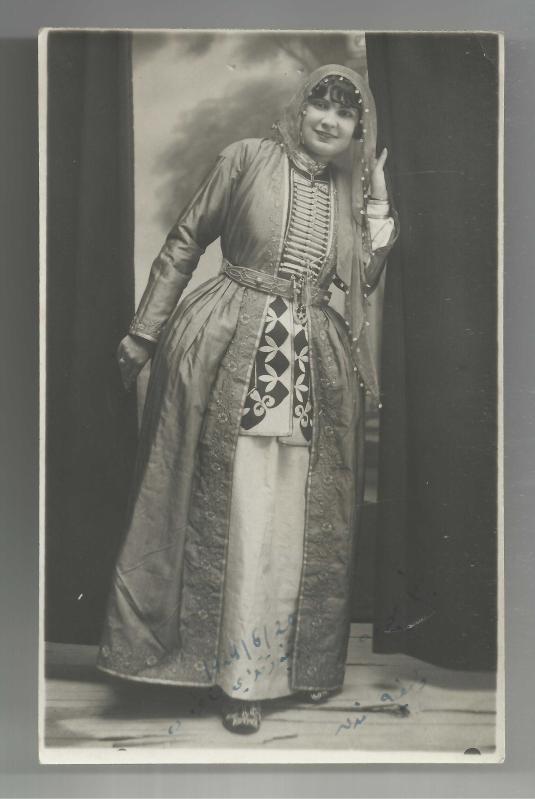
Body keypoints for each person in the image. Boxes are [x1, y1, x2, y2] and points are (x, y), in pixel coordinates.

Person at [97, 63, 399, 734]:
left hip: (312, 362)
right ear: (299, 108)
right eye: (319, 104)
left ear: (357, 129)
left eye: (344, 112)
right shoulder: (245, 158)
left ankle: (290, 667)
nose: (328, 119)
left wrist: (376, 202)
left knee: (291, 514)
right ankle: (235, 678)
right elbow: (184, 240)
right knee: (238, 509)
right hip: (226, 341)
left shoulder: (349, 192)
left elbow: (362, 278)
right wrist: (145, 331)